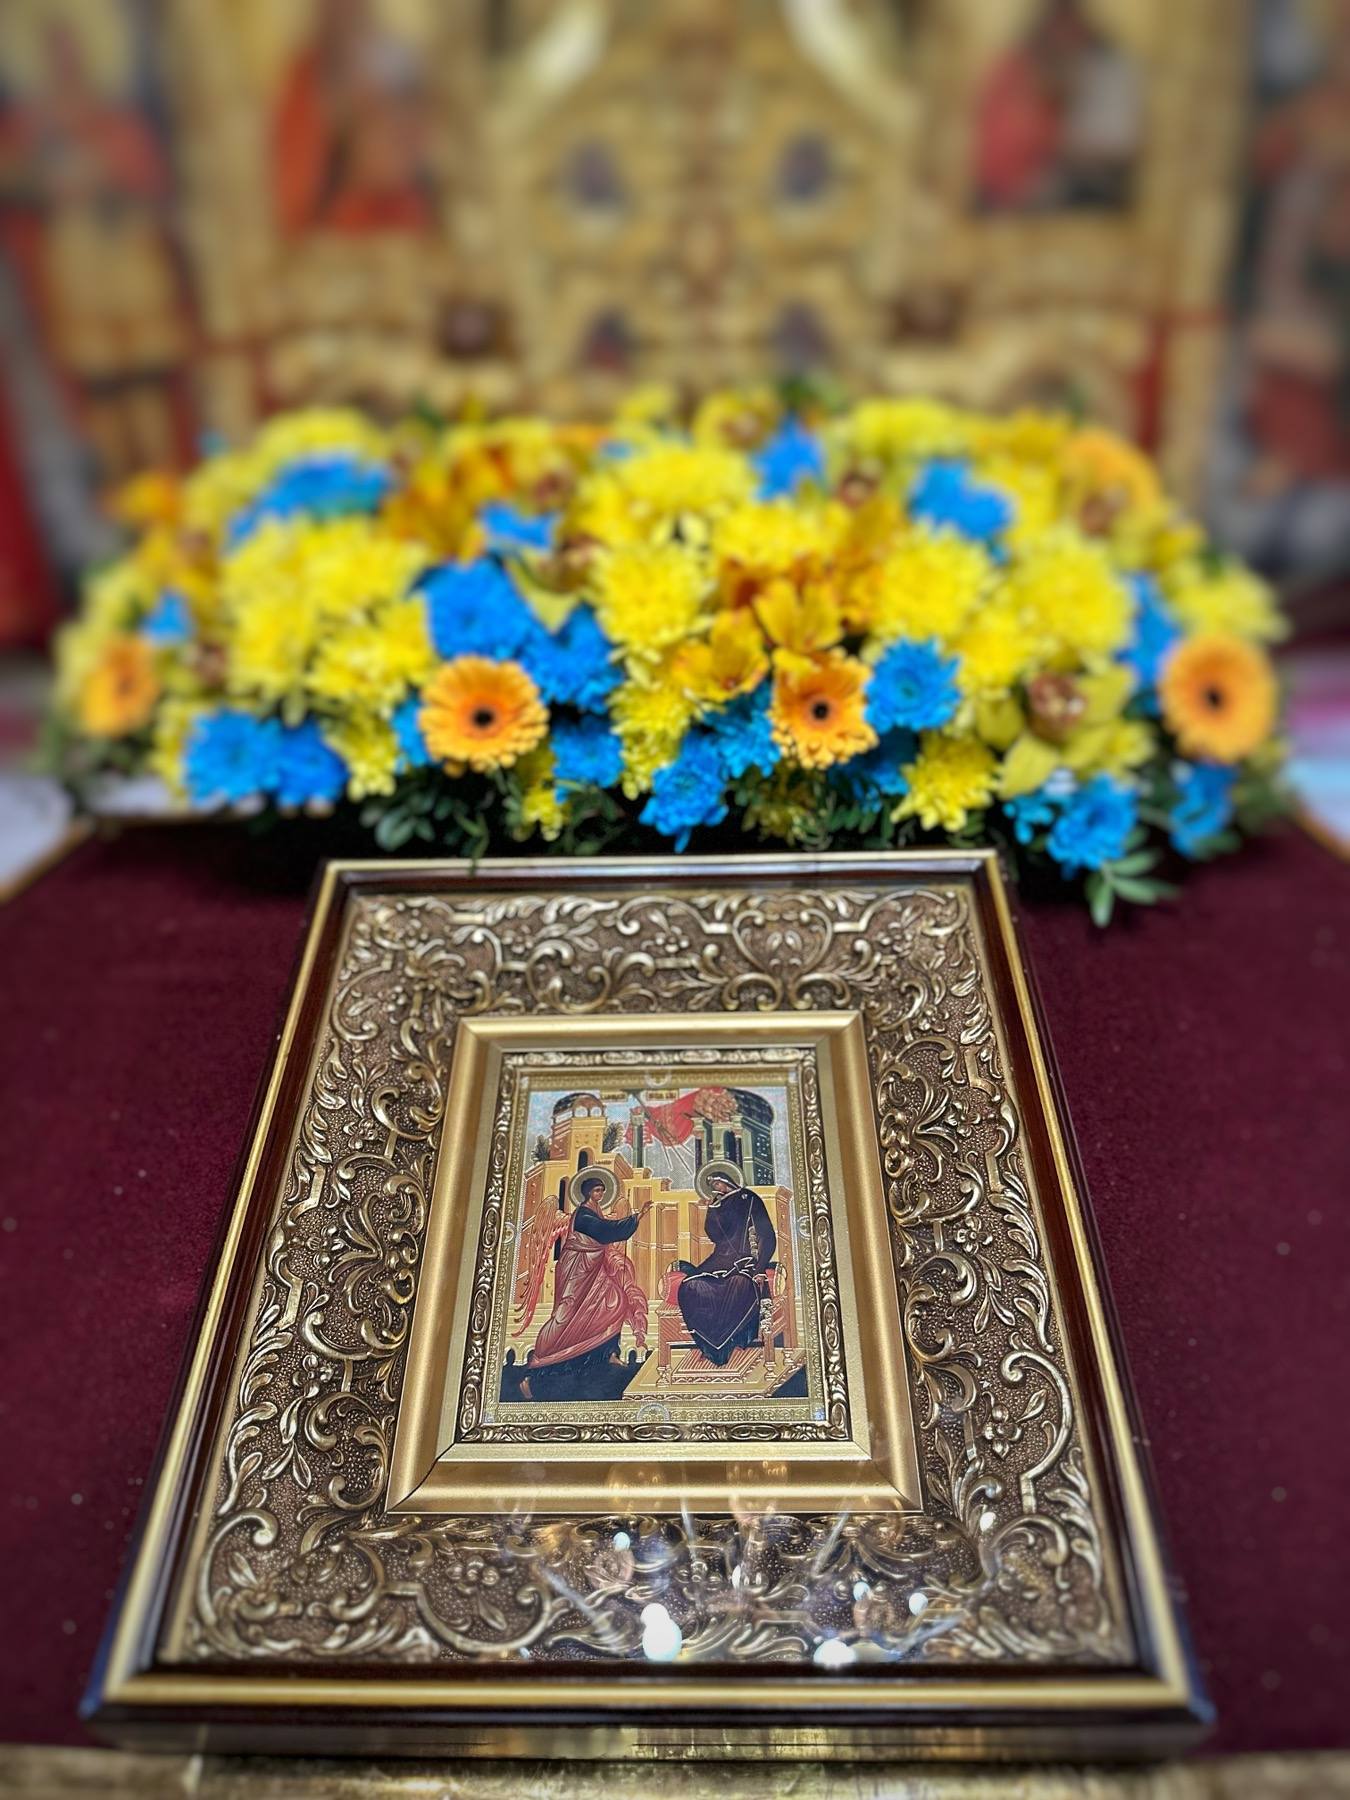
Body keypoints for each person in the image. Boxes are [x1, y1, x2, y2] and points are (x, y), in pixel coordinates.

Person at [511, 1173, 651, 1402]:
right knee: (564, 1320)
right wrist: (637, 1217)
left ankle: (608, 1352)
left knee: (615, 1301)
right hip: (577, 1269)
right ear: (587, 1192)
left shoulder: (595, 1211)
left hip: (594, 1267)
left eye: (602, 1190)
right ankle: (532, 1373)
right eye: (596, 1190)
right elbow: (605, 1231)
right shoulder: (584, 1214)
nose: (600, 1194)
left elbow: (604, 1231)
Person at [676, 1169, 776, 1367]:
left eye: (717, 1183)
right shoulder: (718, 1204)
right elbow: (714, 1235)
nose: (715, 1188)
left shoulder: (749, 1198)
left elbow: (766, 1234)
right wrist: (712, 1210)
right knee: (690, 1287)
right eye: (712, 1186)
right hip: (720, 1258)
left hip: (746, 1257)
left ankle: (731, 1343)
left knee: (739, 1285)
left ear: (726, 1180)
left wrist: (760, 1266)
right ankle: (710, 1346)